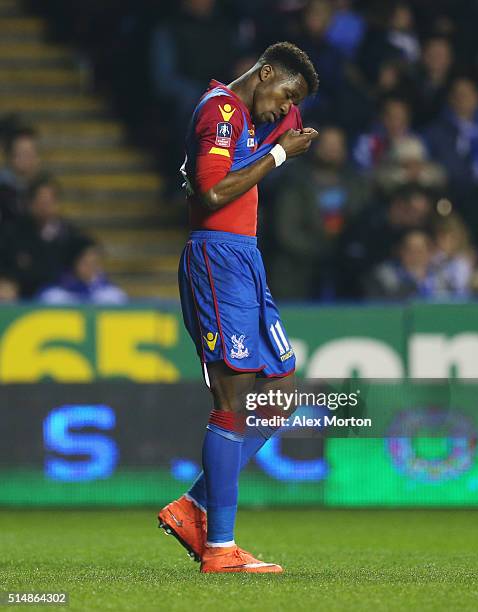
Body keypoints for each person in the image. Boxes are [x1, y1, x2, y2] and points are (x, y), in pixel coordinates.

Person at [158, 42, 319, 574]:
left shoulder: (256, 113)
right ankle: (220, 548)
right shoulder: (222, 111)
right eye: (284, 95)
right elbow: (210, 192)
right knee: (231, 398)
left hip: (246, 259)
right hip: (215, 257)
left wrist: (285, 118)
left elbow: (287, 107)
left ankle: (195, 506)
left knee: (280, 392)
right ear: (264, 73)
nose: (285, 110)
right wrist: (278, 155)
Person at [267, 126, 369, 300]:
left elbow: (363, 222)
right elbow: (287, 232)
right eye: (328, 145)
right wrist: (321, 251)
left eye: (337, 145)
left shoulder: (356, 183)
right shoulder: (295, 182)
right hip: (299, 267)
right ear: (316, 147)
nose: (332, 150)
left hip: (344, 266)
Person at [0, 175, 82, 297]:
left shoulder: (69, 233)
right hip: (22, 296)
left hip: (59, 295)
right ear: (30, 203)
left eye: (50, 201)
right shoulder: (12, 232)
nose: (45, 206)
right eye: (41, 201)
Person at [38, 237, 127, 305]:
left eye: (95, 262)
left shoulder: (112, 295)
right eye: (85, 262)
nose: (91, 267)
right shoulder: (53, 295)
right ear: (73, 263)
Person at [0, 126, 41, 225]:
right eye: (24, 153)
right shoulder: (4, 191)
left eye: (33, 153)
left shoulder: (36, 188)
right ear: (11, 156)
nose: (31, 159)